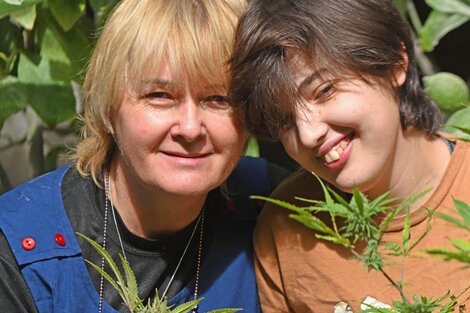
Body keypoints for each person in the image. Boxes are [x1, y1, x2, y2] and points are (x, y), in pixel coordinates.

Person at [0, 0, 290, 312]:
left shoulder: (276, 206)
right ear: (108, 107)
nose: (190, 129)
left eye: (219, 98)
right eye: (160, 96)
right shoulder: (18, 249)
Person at [229, 0, 470, 312]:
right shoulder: (286, 229)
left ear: (394, 63)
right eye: (285, 121)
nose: (308, 133)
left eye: (325, 90)